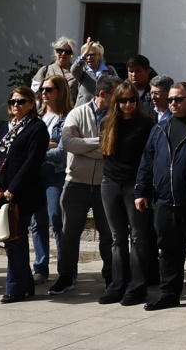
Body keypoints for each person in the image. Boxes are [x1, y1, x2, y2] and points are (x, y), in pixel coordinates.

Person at [135, 80, 186, 312]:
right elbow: (147, 161)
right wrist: (141, 191)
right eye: (170, 99)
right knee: (169, 252)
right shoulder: (160, 127)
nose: (172, 103)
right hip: (164, 201)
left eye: (178, 99)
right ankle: (169, 294)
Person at [53, 75, 116, 295]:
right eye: (115, 95)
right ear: (103, 94)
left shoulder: (117, 117)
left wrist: (84, 145)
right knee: (69, 233)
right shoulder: (77, 112)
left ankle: (111, 276)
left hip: (105, 185)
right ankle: (66, 276)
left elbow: (115, 149)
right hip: (75, 183)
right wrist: (100, 143)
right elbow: (68, 143)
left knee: (108, 235)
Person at [98, 76, 156, 306]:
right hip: (110, 183)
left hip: (135, 185)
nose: (128, 104)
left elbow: (148, 158)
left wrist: (143, 188)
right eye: (123, 100)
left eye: (132, 100)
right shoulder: (107, 122)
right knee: (117, 237)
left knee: (139, 237)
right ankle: (116, 285)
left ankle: (137, 288)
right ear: (116, 102)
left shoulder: (146, 124)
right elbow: (105, 153)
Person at [0, 85, 49, 302]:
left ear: (32, 104)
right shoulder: (7, 126)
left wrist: (12, 189)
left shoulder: (37, 128)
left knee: (14, 240)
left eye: (21, 101)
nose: (16, 105)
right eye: (12, 102)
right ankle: (26, 284)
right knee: (12, 240)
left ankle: (15, 288)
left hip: (22, 194)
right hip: (2, 194)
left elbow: (32, 163)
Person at [30, 77, 69, 284]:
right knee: (37, 223)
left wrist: (36, 151)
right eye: (42, 89)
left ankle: (65, 269)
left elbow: (62, 152)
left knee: (57, 220)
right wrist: (46, 146)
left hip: (55, 174)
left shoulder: (68, 117)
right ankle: (40, 268)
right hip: (35, 175)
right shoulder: (35, 117)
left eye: (48, 89)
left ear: (59, 91)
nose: (43, 93)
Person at [68, 38, 116, 105]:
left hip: (104, 109)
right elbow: (73, 70)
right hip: (84, 109)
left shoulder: (109, 70)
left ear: (99, 56)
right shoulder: (82, 70)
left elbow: (117, 88)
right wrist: (83, 55)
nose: (89, 57)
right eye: (87, 55)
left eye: (92, 55)